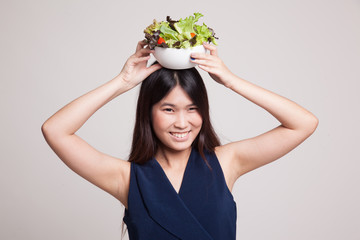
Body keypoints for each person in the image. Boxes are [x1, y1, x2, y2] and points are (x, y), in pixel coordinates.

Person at [42, 40, 318, 240]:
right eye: (168, 109)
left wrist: (231, 81)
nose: (182, 123)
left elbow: (303, 124)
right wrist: (122, 83)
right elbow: (55, 130)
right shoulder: (127, 178)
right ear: (148, 114)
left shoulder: (226, 162)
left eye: (192, 108)